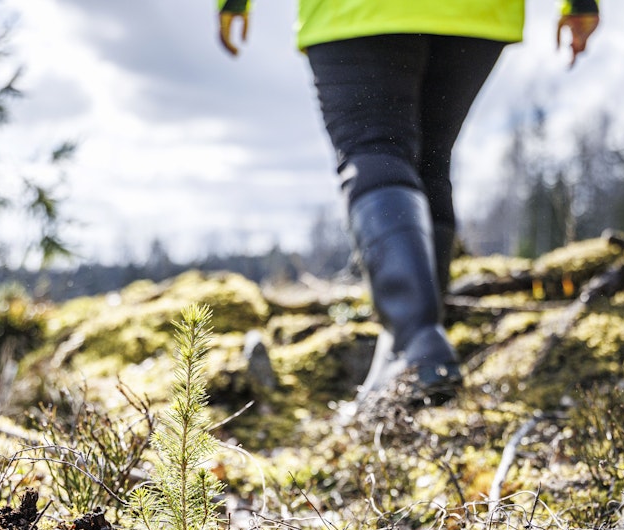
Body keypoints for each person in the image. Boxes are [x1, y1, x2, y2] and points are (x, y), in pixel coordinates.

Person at [216, 1, 600, 406]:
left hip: (358, 11)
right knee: (429, 160)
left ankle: (417, 346)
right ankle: (408, 352)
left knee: (375, 146)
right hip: (478, 14)